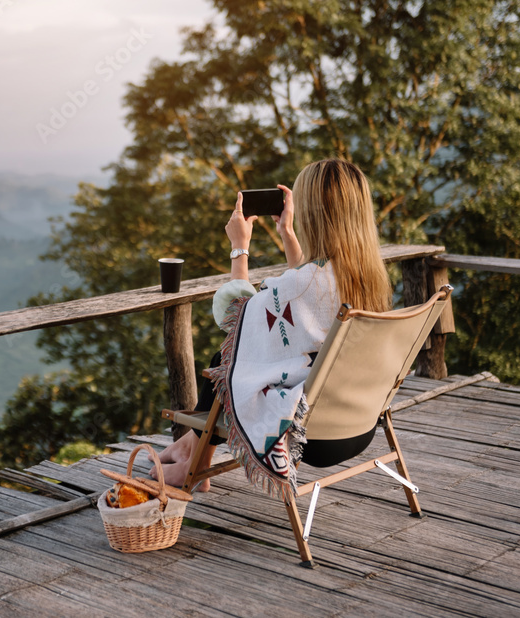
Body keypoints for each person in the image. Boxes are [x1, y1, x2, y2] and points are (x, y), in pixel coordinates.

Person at [152, 159, 392, 493]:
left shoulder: (306, 284)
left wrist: (240, 248)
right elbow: (309, 296)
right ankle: (190, 453)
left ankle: (193, 459)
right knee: (228, 363)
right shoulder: (369, 279)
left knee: (228, 362)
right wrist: (287, 234)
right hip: (360, 427)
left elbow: (234, 318)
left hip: (312, 438)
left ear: (311, 213)